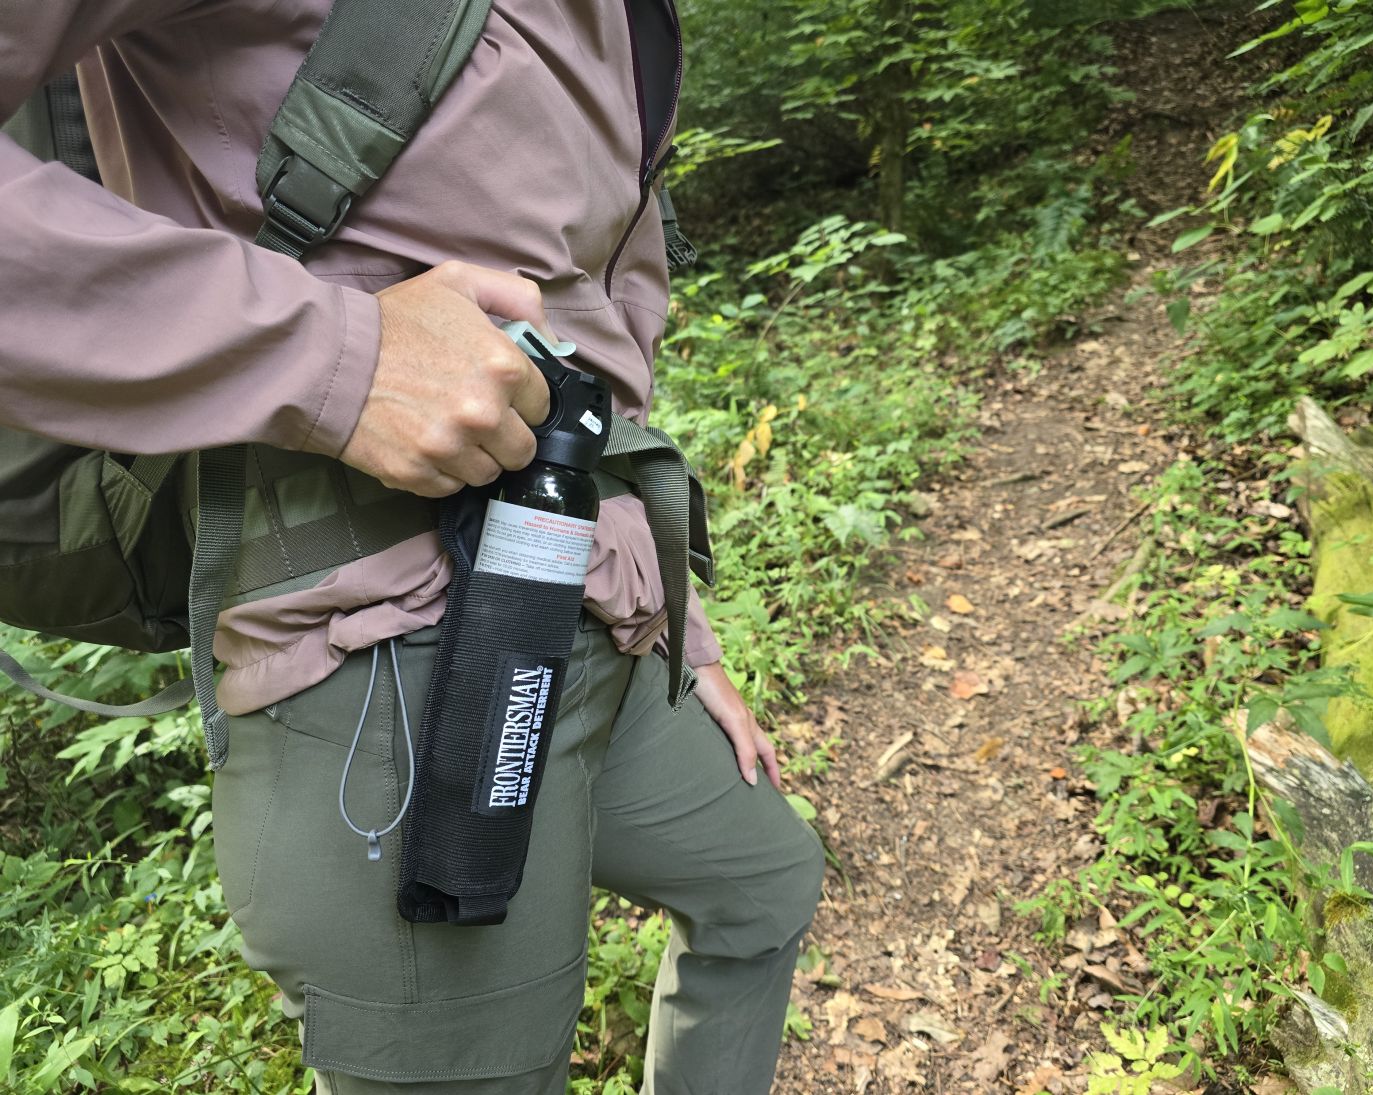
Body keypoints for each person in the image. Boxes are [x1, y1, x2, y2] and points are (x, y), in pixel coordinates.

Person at [0, 2, 825, 1092]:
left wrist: (682, 620)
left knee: (762, 883)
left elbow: (588, 358)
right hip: (378, 647)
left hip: (581, 589)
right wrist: (335, 354)